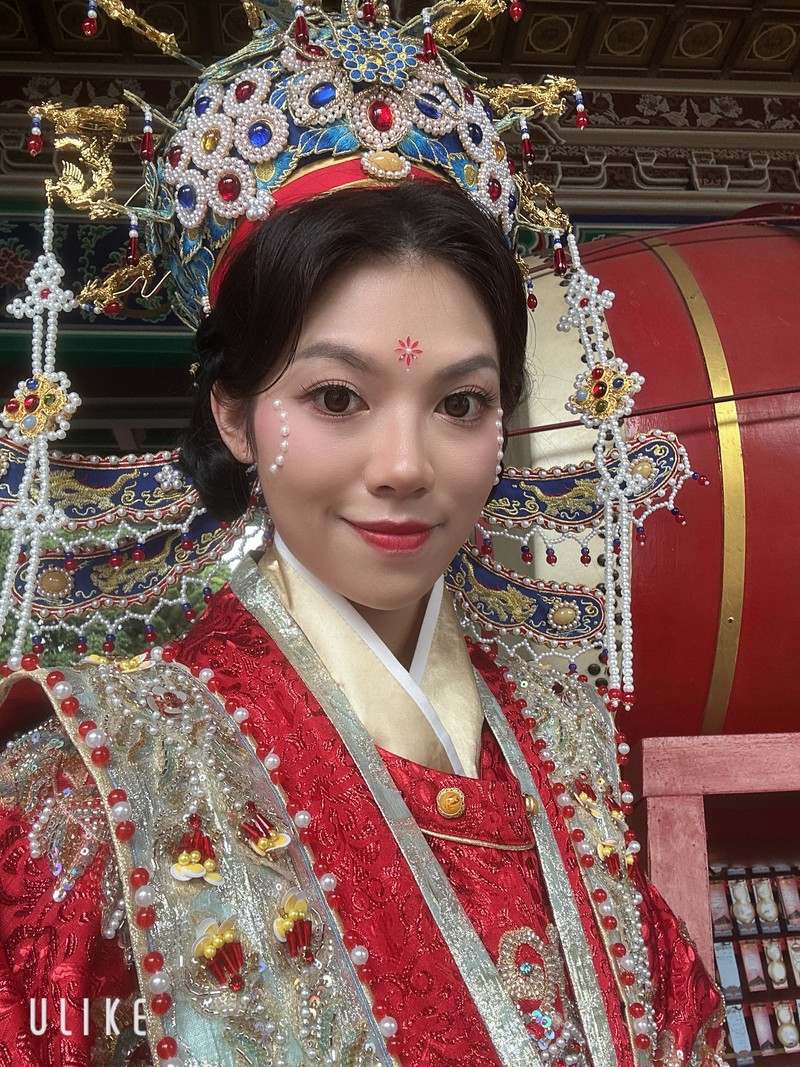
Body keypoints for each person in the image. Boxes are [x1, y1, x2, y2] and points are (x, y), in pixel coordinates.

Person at [0, 5, 721, 1065]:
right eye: (336, 397)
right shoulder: (96, 794)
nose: (404, 465)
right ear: (235, 415)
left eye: (461, 403)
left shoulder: (562, 739)